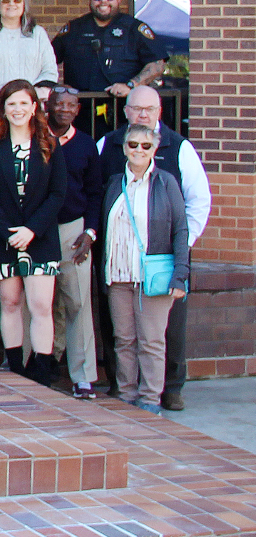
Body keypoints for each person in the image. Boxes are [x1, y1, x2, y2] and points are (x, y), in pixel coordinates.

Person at [98, 85, 210, 411]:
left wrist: (179, 249)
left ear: (159, 112)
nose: (143, 114)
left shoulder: (179, 148)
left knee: (162, 335)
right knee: (123, 335)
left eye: (150, 108)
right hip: (119, 266)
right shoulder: (108, 144)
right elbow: (96, 199)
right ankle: (124, 390)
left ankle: (167, 390)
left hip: (161, 263)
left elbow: (197, 203)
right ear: (126, 111)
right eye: (136, 108)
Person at [0, 79, 68, 385]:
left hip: (39, 237)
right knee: (10, 302)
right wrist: (8, 231)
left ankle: (42, 371)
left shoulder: (49, 145)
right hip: (1, 238)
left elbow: (57, 194)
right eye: (11, 104)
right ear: (3, 108)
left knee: (41, 305)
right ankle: (15, 368)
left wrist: (31, 230)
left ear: (34, 107)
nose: (18, 109)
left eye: (24, 103)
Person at [93, 123, 190, 414]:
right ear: (124, 148)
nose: (138, 150)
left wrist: (181, 275)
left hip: (154, 278)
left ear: (155, 149)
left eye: (145, 146)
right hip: (119, 275)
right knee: (124, 339)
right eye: (132, 144)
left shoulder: (166, 182)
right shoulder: (112, 184)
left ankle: (149, 398)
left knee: (151, 341)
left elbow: (181, 230)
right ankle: (126, 392)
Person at [52, 0, 166, 133]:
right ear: (90, 0)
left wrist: (131, 85)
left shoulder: (134, 28)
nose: (103, 1)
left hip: (120, 113)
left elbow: (157, 64)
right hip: (79, 112)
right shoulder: (74, 29)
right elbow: (49, 60)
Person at [48, 85, 105, 399]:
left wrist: (91, 232)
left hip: (73, 231)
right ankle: (33, 364)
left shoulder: (85, 145)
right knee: (38, 303)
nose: (65, 109)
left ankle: (83, 377)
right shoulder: (35, 139)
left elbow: (95, 193)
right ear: (49, 105)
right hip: (39, 230)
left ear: (77, 110)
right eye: (59, 104)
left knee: (78, 302)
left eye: (71, 105)